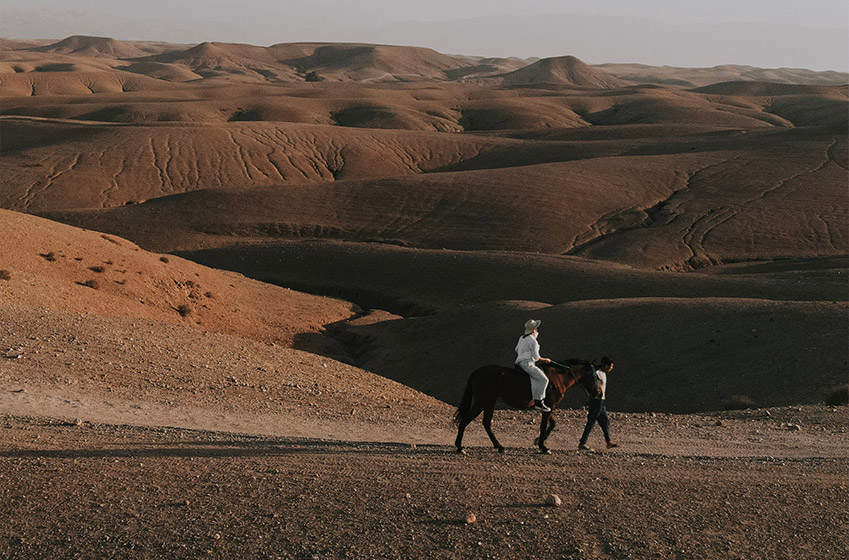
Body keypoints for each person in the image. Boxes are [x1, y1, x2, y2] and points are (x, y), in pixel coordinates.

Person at [578, 357, 618, 451]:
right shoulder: (596, 373)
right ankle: (582, 443)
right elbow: (594, 386)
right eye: (610, 366)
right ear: (606, 365)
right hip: (597, 401)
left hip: (601, 401)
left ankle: (608, 442)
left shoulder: (603, 373)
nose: (611, 369)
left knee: (605, 422)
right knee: (591, 422)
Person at [515, 319, 552, 412]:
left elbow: (516, 349)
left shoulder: (521, 338)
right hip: (527, 364)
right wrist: (545, 359)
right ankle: (539, 403)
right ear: (534, 330)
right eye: (536, 329)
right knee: (544, 379)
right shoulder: (533, 340)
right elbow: (536, 357)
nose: (537, 331)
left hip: (518, 362)